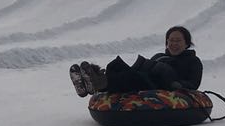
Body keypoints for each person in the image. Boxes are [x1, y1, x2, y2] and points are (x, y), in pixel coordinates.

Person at [69, 26, 203, 98]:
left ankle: (97, 83)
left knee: (131, 77)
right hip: (147, 79)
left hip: (163, 87)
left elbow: (194, 83)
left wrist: (178, 84)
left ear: (186, 43)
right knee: (115, 66)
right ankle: (90, 81)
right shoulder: (160, 56)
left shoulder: (193, 61)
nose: (174, 44)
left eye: (178, 41)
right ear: (166, 42)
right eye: (171, 40)